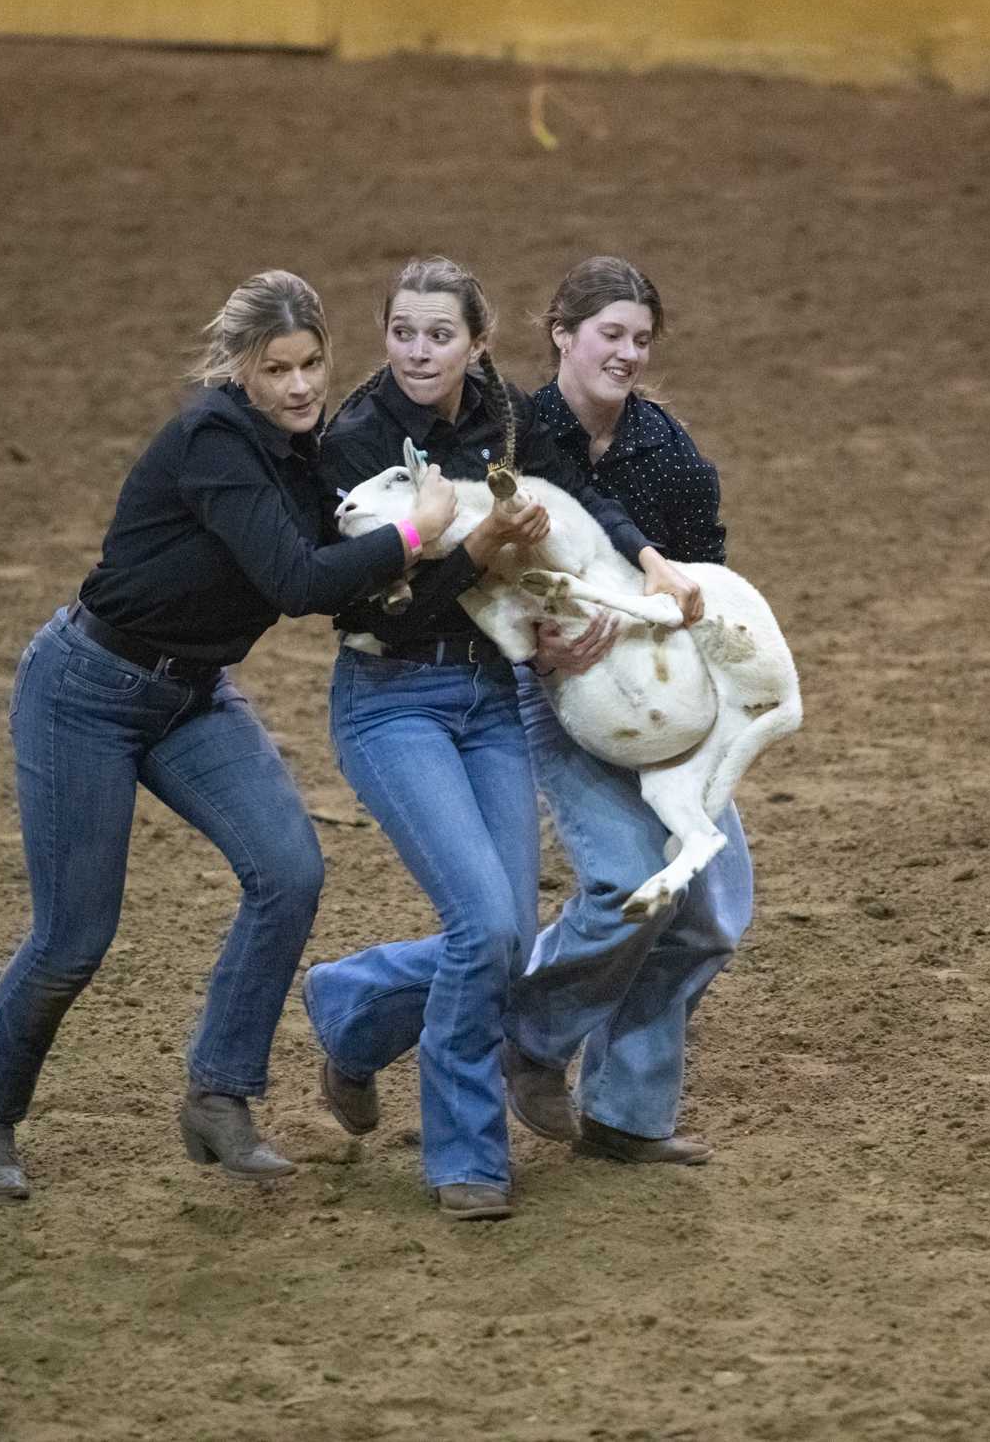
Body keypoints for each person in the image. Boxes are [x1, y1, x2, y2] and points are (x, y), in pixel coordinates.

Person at [0, 271, 457, 1199]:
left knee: (290, 870)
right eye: (278, 370)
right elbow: (298, 580)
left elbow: (346, 542)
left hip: (193, 694)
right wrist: (416, 537)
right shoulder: (212, 441)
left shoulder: (305, 450)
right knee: (75, 936)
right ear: (238, 369)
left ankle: (219, 1091)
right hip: (85, 691)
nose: (300, 386)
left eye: (312, 364)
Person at [298, 256, 700, 1220]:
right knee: (485, 925)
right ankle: (467, 1157)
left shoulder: (503, 418)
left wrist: (639, 558)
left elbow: (574, 500)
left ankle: (353, 1010)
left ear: (477, 343)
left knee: (509, 934)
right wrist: (479, 552)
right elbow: (366, 607)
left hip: (485, 693)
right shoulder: (353, 440)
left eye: (441, 334)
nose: (419, 351)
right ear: (385, 335)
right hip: (392, 697)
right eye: (403, 332)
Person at [501, 255, 752, 1166]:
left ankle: (624, 1112)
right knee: (625, 884)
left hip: (658, 700)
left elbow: (708, 581)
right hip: (555, 695)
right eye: (611, 334)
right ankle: (528, 1038)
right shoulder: (519, 435)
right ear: (562, 333)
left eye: (641, 338)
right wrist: (534, 639)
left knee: (711, 910)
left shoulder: (673, 457)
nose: (628, 353)